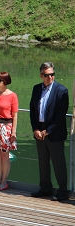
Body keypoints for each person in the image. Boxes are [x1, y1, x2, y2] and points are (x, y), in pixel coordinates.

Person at [30, 62, 69, 201]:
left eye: (52, 74)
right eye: (47, 75)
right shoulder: (36, 89)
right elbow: (33, 111)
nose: (50, 77)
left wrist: (48, 130)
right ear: (41, 75)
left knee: (58, 163)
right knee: (43, 162)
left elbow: (60, 115)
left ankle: (63, 191)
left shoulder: (61, 90)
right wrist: (35, 129)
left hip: (55, 133)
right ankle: (45, 188)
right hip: (39, 132)